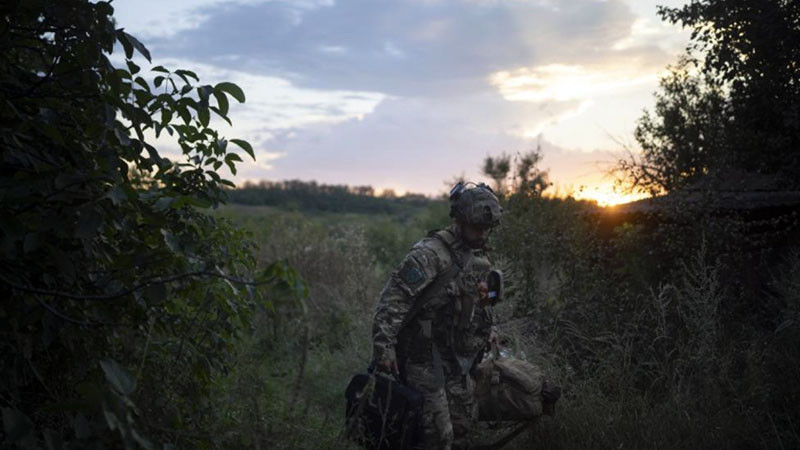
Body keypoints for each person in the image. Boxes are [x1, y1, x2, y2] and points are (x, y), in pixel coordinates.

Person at [371, 182, 502, 450]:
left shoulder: (477, 257)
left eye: (487, 229)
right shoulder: (430, 254)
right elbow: (393, 302)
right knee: (436, 436)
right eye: (477, 228)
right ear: (460, 220)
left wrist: (488, 329)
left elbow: (477, 303)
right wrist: (383, 349)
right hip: (421, 356)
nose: (483, 235)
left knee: (461, 426)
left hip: (454, 357)